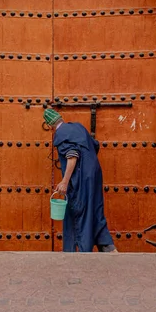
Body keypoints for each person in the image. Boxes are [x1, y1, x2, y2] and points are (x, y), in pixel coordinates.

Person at [43, 108, 117, 253]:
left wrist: (64, 182)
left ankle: (81, 252)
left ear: (50, 126)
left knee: (78, 211)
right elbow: (95, 145)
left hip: (81, 180)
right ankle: (107, 246)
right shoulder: (78, 127)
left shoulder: (61, 134)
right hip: (94, 176)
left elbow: (72, 156)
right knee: (94, 208)